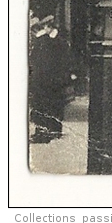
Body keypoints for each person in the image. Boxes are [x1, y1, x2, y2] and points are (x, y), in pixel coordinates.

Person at [28, 15, 74, 143]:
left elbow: (63, 61)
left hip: (50, 80)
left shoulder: (53, 41)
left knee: (50, 105)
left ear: (49, 27)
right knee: (45, 105)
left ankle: (50, 131)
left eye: (44, 27)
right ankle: (46, 131)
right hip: (46, 80)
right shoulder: (50, 40)